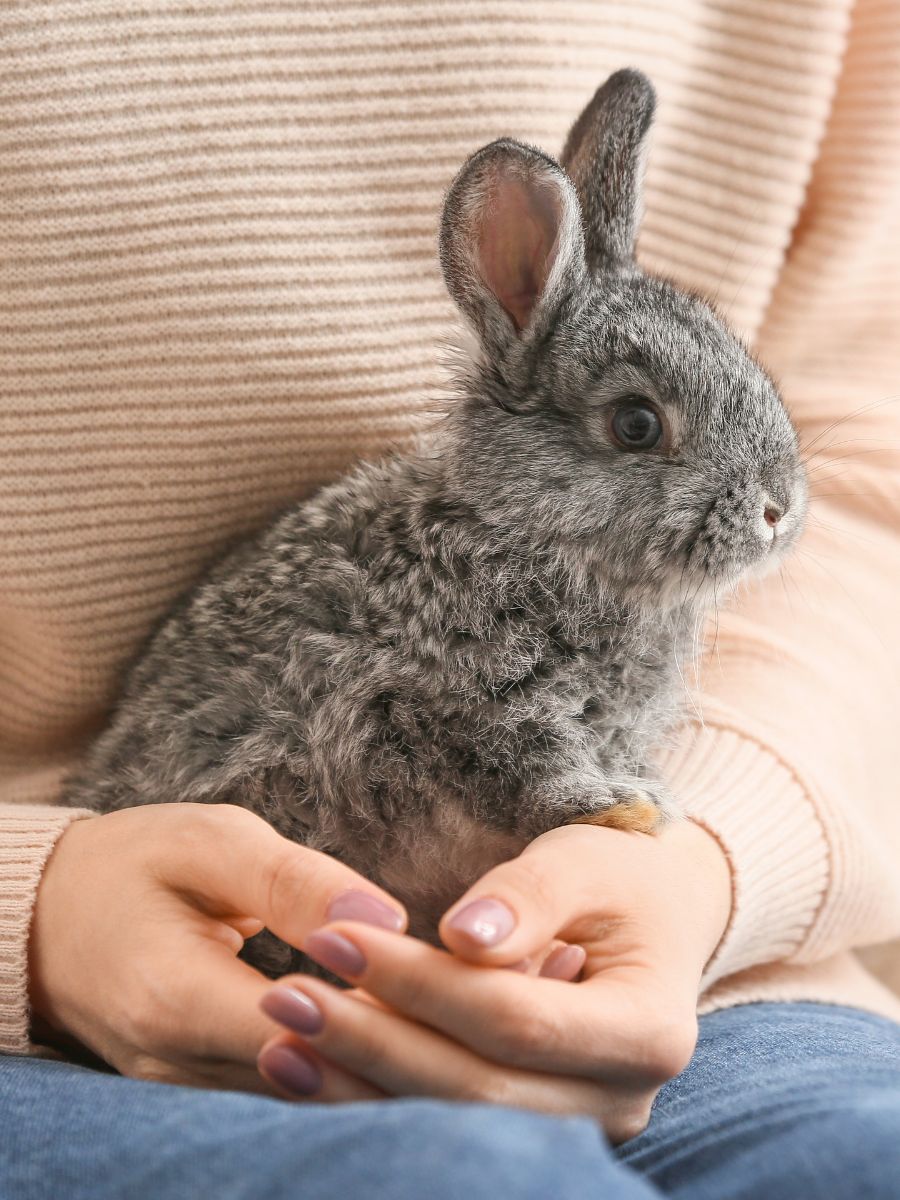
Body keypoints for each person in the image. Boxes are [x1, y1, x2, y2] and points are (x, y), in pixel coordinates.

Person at [2, 2, 899, 1198]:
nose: (767, 508)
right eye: (642, 432)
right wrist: (34, 911)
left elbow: (872, 448)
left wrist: (708, 870)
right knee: (471, 1179)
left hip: (704, 966)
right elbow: (470, 720)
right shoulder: (459, 567)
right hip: (130, 971)